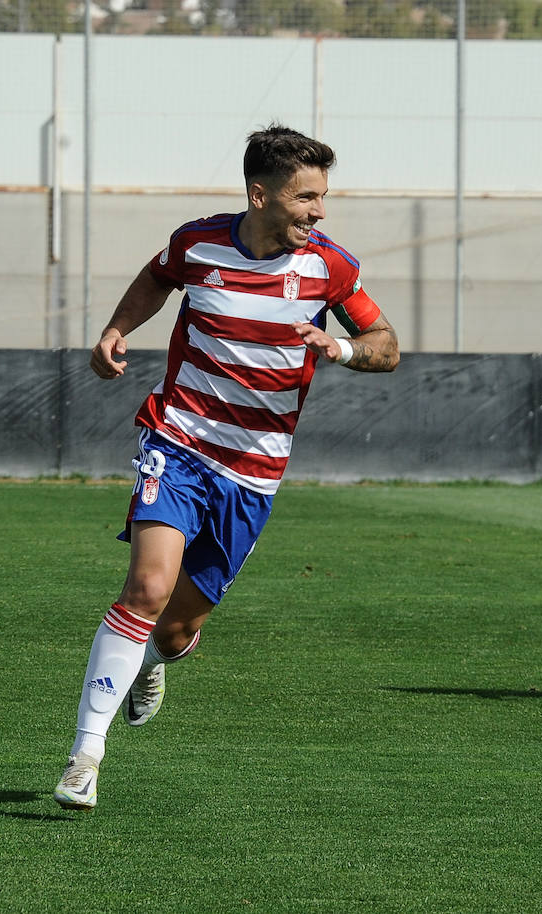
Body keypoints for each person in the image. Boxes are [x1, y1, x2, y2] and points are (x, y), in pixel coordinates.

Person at [53, 125, 400, 811]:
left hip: (255, 473)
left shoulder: (330, 267)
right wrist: (116, 329)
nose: (318, 212)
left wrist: (340, 349)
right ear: (260, 194)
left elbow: (386, 345)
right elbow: (157, 279)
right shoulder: (197, 243)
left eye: (323, 198)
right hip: (178, 442)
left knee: (178, 630)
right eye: (306, 199)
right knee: (147, 587)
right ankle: (83, 756)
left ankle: (152, 663)